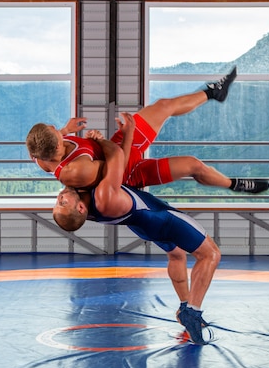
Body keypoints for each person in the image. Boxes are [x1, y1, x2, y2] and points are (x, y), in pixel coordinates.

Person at [53, 113, 219, 344]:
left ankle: (183, 306)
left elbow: (39, 153)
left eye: (57, 201)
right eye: (62, 202)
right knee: (210, 254)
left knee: (176, 254)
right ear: (80, 208)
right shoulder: (102, 195)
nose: (60, 196)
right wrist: (108, 137)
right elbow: (119, 157)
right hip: (159, 218)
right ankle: (193, 311)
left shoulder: (85, 198)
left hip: (143, 227)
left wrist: (64, 131)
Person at [26, 66, 269, 194]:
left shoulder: (42, 153)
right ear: (57, 147)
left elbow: (53, 141)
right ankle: (234, 184)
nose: (58, 129)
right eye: (58, 133)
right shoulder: (75, 171)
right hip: (128, 170)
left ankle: (213, 92)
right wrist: (121, 135)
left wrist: (67, 130)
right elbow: (117, 164)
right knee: (194, 165)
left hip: (115, 148)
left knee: (163, 105)